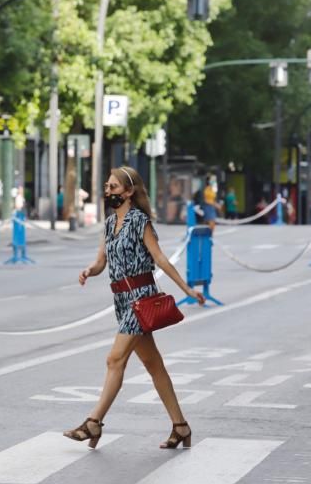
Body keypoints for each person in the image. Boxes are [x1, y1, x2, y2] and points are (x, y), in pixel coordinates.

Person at [64, 166, 206, 450]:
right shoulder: (108, 224)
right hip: (121, 300)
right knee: (154, 365)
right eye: (107, 187)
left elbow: (161, 259)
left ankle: (94, 422)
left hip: (140, 297)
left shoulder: (140, 221)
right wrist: (89, 271)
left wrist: (187, 289)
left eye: (114, 187)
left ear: (129, 192)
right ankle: (181, 426)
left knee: (114, 360)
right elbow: (101, 261)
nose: (109, 192)